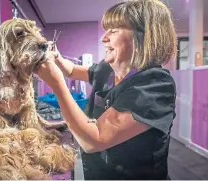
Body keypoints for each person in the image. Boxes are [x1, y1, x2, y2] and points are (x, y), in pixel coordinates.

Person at [35, 0, 177, 180]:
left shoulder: (155, 85)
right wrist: (58, 60)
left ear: (143, 37)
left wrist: (56, 84)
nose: (104, 38)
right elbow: (71, 70)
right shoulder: (107, 69)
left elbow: (95, 139)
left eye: (114, 31)